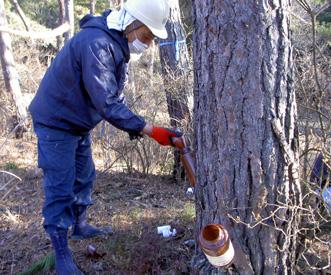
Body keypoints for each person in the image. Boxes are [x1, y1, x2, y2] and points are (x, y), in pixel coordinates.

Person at [28, 0, 182, 274]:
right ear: (131, 23)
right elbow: (107, 103)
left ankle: (80, 226)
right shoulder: (97, 43)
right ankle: (61, 253)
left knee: (84, 176)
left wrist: (135, 126)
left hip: (76, 121)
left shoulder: (115, 44)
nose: (146, 45)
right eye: (146, 37)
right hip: (56, 122)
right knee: (60, 187)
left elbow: (113, 94)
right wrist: (150, 130)